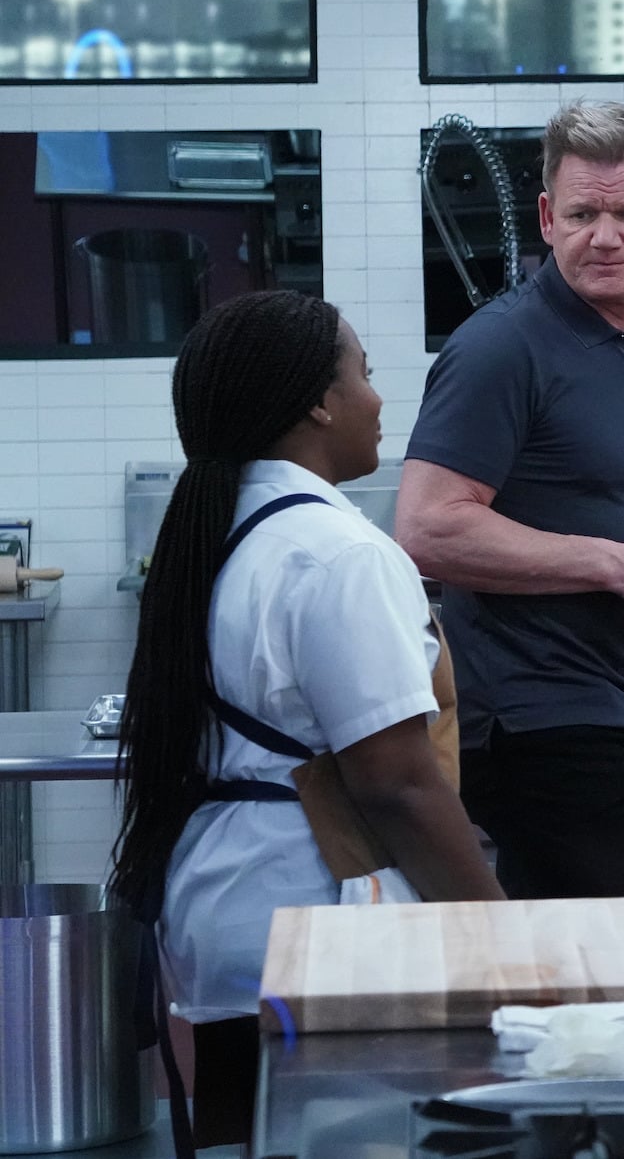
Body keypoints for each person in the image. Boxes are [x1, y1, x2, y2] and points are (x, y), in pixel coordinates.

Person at [111, 291, 503, 1150]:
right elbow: (396, 782)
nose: (378, 398)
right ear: (320, 403)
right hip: (316, 927)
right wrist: (498, 934)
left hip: (225, 911)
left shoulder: (223, 532)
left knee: (241, 1139)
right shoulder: (339, 553)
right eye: (364, 373)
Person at [396, 100, 624, 901]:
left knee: (567, 961)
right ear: (548, 219)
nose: (605, 236)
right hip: (528, 717)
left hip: (617, 707)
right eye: (583, 214)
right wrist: (616, 564)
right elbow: (425, 527)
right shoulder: (500, 346)